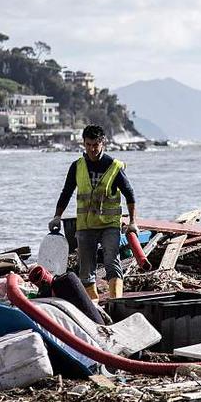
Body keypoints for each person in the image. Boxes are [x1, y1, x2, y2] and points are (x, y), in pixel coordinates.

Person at [49, 125, 138, 300]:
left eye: (95, 144)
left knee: (112, 262)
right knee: (86, 270)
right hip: (86, 226)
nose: (92, 149)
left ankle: (115, 301)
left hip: (109, 225)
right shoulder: (77, 167)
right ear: (83, 143)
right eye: (88, 144)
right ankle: (95, 306)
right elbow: (66, 192)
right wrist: (57, 216)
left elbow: (130, 194)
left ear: (102, 143)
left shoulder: (114, 166)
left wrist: (133, 221)